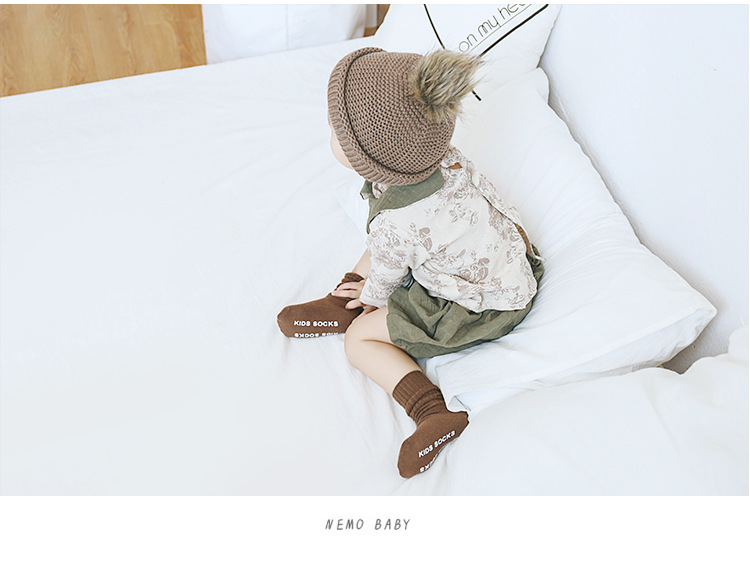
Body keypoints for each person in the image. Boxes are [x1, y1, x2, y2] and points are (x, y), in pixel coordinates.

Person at [277, 47, 543, 478]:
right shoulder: (434, 157)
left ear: (372, 155)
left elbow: (386, 271)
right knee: (383, 243)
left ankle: (432, 413)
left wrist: (371, 298)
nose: (329, 131)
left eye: (338, 132)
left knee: (359, 341)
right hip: (506, 263)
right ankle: (341, 301)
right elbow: (391, 244)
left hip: (481, 305)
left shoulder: (397, 222)